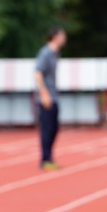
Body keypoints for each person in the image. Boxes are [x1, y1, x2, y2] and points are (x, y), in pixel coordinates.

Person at [35, 27, 67, 170]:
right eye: (62, 35)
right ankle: (45, 159)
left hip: (54, 95)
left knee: (54, 128)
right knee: (47, 129)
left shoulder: (56, 53)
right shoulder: (45, 53)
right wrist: (44, 94)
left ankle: (49, 157)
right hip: (46, 97)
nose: (64, 38)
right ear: (55, 37)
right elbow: (38, 73)